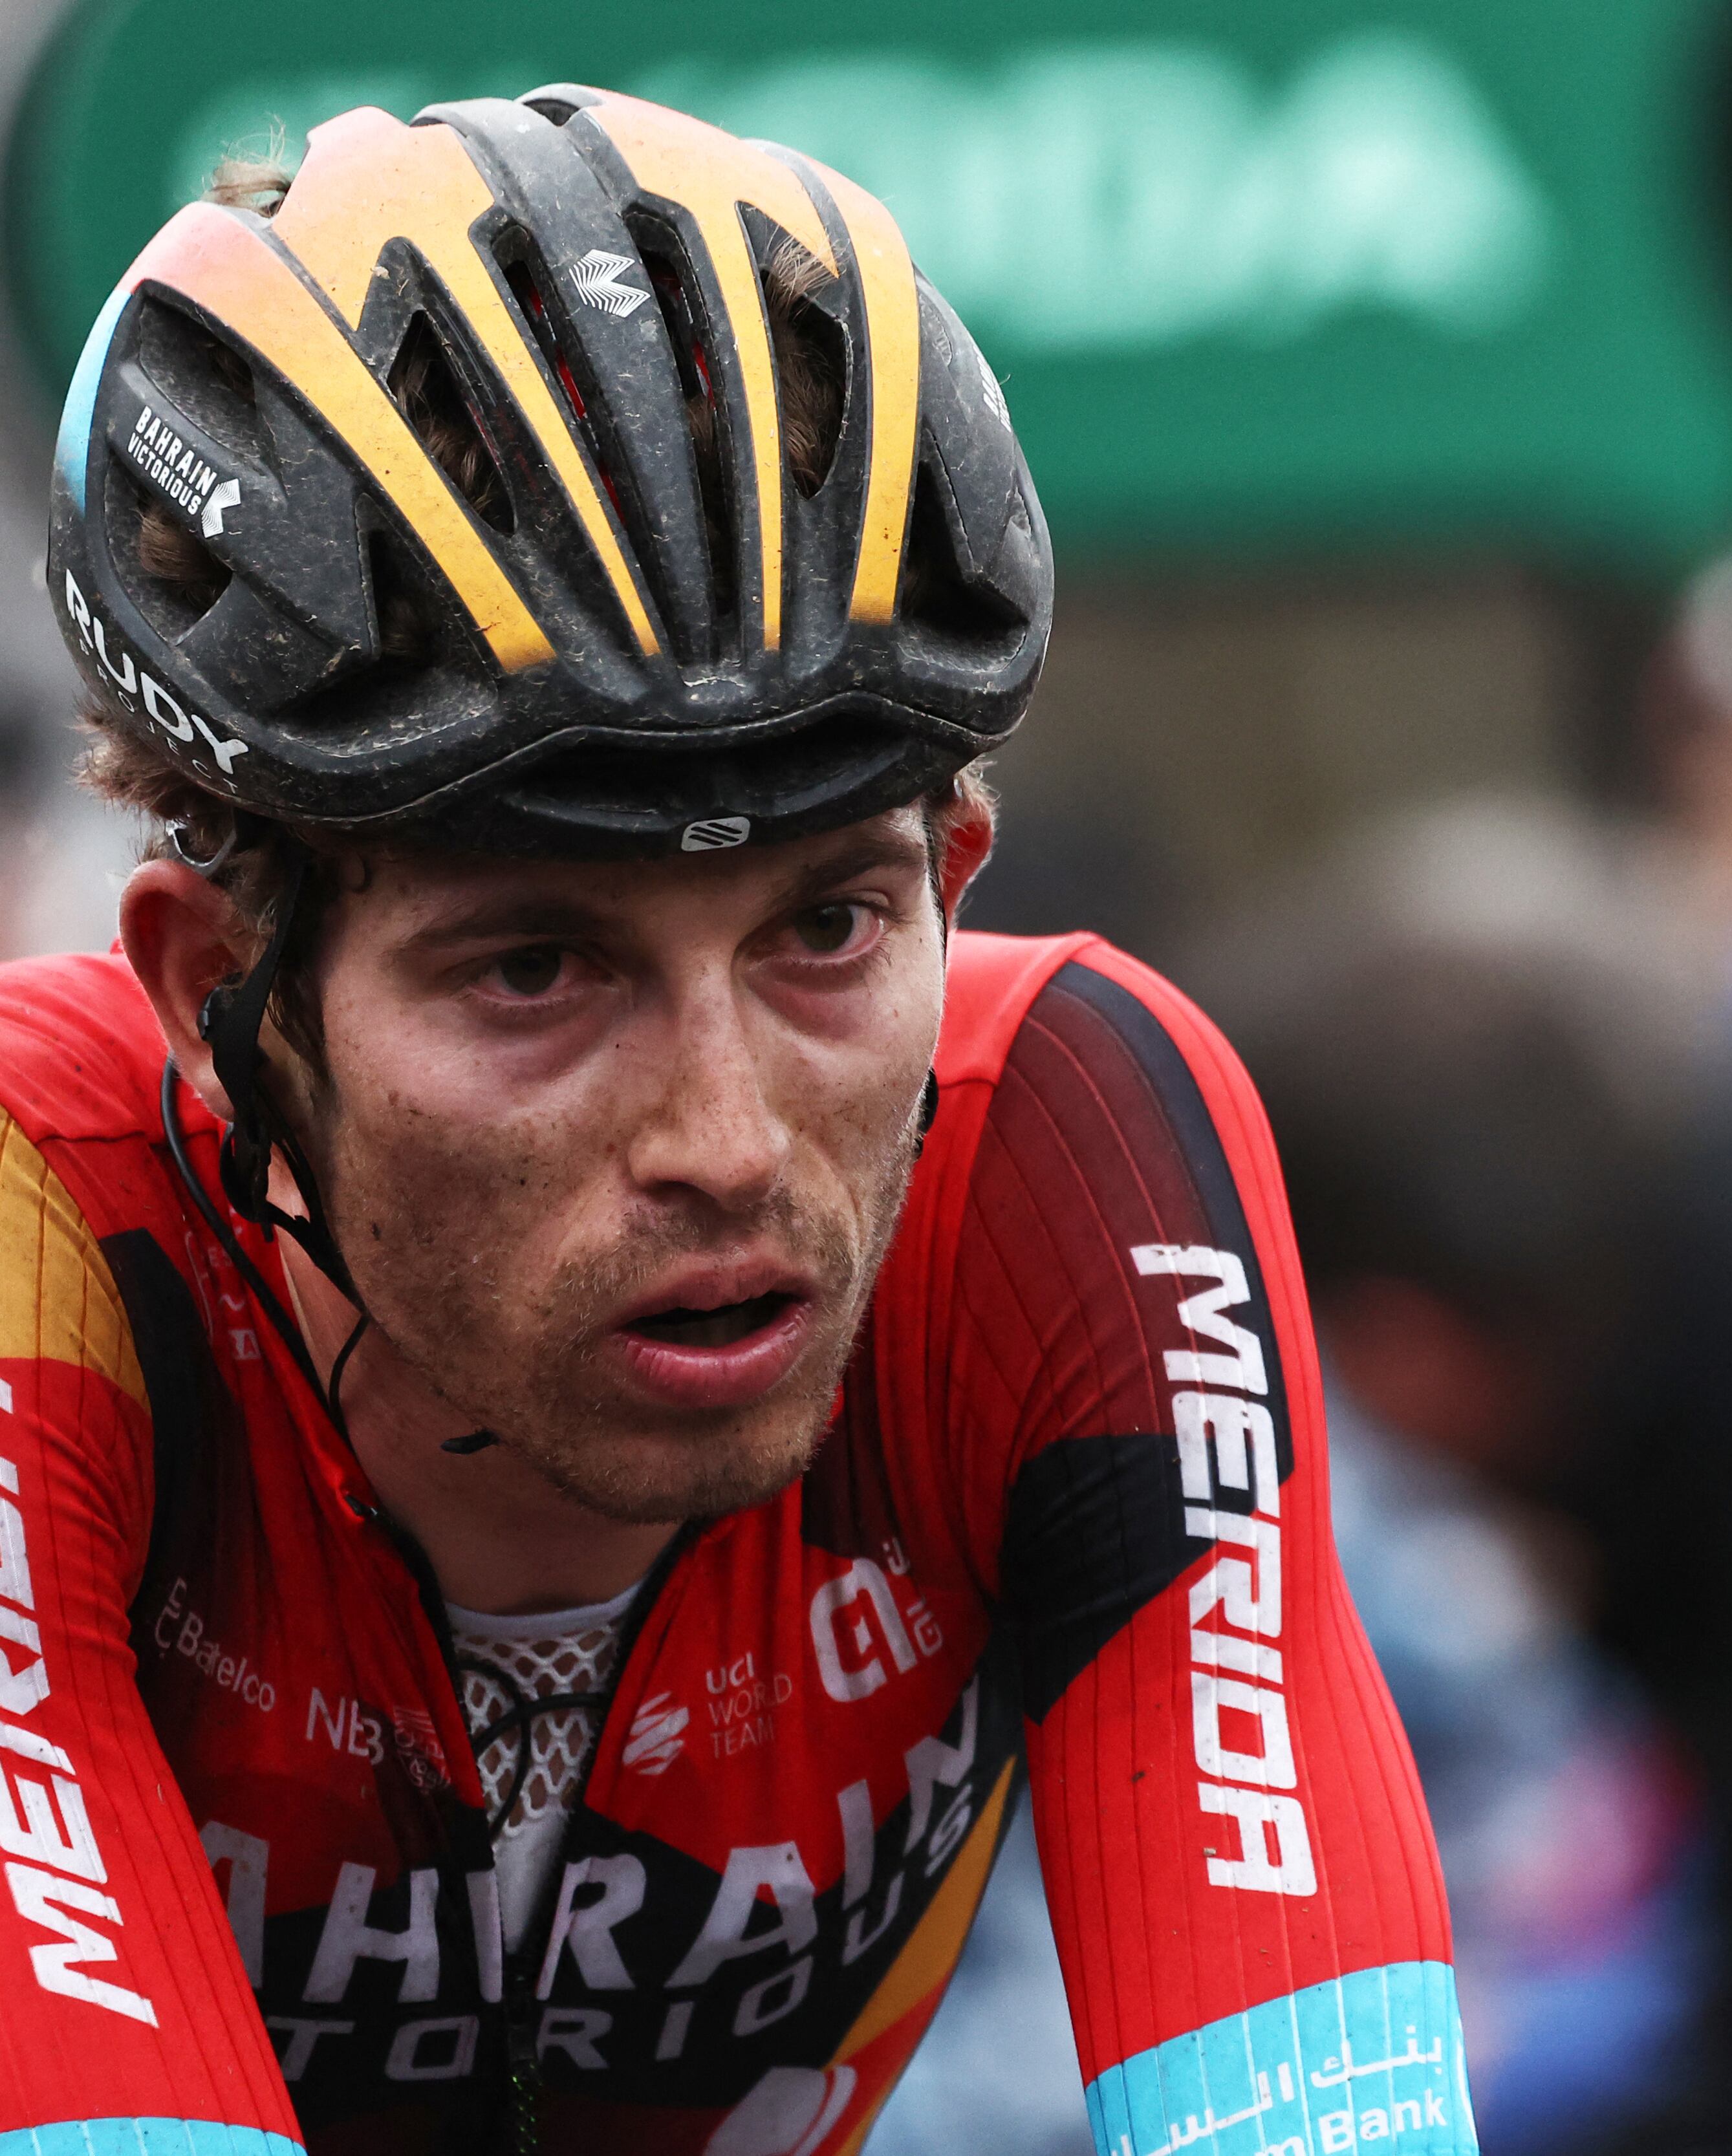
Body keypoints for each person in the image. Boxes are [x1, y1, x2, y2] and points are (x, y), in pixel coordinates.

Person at [0, 87, 1466, 2153]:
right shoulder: (37, 1215)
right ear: (212, 1005)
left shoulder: (1064, 1157)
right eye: (533, 966)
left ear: (956, 879)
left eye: (828, 922)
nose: (727, 1135)